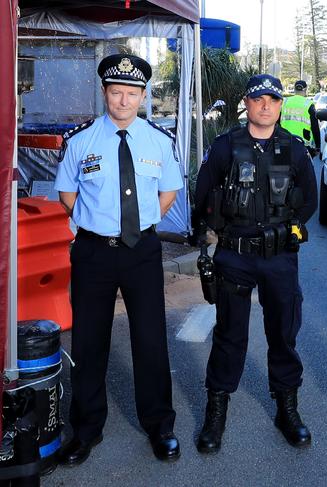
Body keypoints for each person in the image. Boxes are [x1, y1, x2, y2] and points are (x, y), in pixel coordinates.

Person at [54, 54, 183, 465]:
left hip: (141, 251)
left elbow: (167, 195)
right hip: (93, 252)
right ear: (105, 93)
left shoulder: (159, 141)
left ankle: (160, 426)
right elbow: (67, 196)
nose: (123, 101)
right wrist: (97, 226)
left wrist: (139, 226)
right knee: (90, 343)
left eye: (132, 93)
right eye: (116, 92)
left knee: (150, 341)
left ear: (143, 96)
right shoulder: (81, 141)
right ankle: (86, 430)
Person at [193, 74, 318, 454]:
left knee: (283, 334)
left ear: (281, 106)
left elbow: (310, 201)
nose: (266, 106)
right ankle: (216, 414)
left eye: (272, 100)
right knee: (230, 336)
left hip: (279, 257)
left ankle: (287, 410)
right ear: (246, 103)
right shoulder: (225, 147)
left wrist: (287, 232)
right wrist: (215, 233)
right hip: (235, 255)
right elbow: (203, 195)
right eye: (258, 99)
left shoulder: (293, 149)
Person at [280, 80, 321, 156]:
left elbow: (277, 122)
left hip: (284, 142)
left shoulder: (285, 102)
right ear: (305, 89)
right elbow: (315, 127)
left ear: (294, 89)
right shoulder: (308, 104)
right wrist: (318, 147)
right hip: (302, 145)